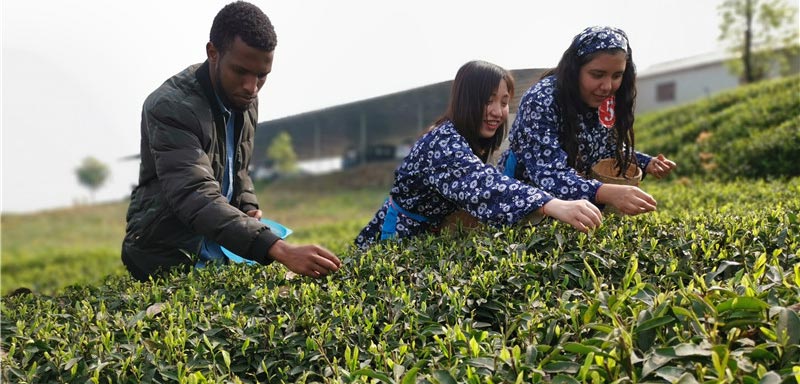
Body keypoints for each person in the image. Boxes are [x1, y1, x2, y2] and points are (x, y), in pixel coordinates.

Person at [122, 1, 341, 281]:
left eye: (262, 75)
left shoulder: (245, 98)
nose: (252, 87)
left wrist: (247, 204)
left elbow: (236, 168)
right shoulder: (170, 107)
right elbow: (194, 195)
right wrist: (279, 249)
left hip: (222, 242)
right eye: (240, 72)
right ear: (213, 53)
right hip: (169, 251)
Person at [355, 60, 603, 249]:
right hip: (399, 236)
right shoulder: (442, 143)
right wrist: (550, 204)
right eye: (488, 100)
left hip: (433, 233)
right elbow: (483, 185)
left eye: (504, 102)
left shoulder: (471, 139)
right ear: (466, 101)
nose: (498, 111)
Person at [500, 26, 677, 215]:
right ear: (575, 70)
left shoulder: (605, 101)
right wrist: (604, 192)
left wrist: (645, 162)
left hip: (580, 204)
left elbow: (605, 148)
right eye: (597, 75)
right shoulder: (542, 100)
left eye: (617, 76)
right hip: (528, 204)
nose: (607, 86)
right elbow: (549, 174)